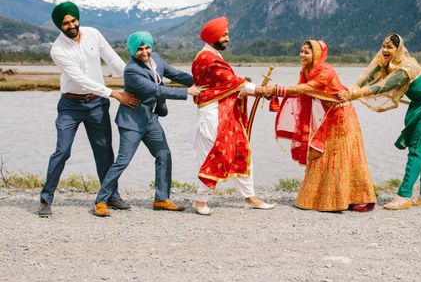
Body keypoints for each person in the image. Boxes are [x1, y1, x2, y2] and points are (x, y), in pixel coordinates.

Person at [38, 2, 139, 218]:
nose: (71, 25)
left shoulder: (93, 34)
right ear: (59, 25)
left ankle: (111, 195)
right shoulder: (58, 50)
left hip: (97, 104)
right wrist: (115, 94)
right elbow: (80, 80)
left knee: (104, 151)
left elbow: (114, 61)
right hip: (70, 105)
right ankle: (45, 199)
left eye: (73, 20)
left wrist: (136, 79)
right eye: (65, 23)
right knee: (62, 150)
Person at [92, 32, 205, 217]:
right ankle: (100, 201)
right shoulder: (131, 70)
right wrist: (189, 92)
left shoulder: (157, 59)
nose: (144, 52)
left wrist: (201, 82)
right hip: (132, 122)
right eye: (139, 49)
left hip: (150, 119)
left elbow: (174, 74)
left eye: (147, 48)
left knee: (164, 155)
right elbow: (156, 89)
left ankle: (161, 199)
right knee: (122, 161)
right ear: (132, 50)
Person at [339, 33, 421, 211]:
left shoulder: (407, 66)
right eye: (383, 46)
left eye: (389, 47)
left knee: (417, 149)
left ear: (398, 49)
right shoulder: (384, 62)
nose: (385, 50)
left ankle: (404, 196)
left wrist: (355, 94)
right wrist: (349, 90)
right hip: (420, 104)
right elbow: (365, 78)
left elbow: (386, 85)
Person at [266, 40, 376, 212]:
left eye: (306, 52)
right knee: (322, 155)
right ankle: (317, 199)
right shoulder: (306, 70)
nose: (302, 55)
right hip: (328, 116)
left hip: (343, 116)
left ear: (316, 54)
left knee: (340, 157)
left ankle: (349, 199)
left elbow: (304, 89)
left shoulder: (325, 72)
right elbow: (303, 92)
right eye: (301, 51)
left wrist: (277, 90)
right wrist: (274, 92)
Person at [190, 16, 274, 215]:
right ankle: (200, 201)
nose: (228, 38)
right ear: (213, 37)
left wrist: (251, 89)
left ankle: (249, 197)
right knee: (214, 154)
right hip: (213, 115)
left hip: (225, 112)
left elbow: (226, 85)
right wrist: (260, 89)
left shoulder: (211, 56)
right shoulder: (208, 59)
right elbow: (235, 83)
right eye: (224, 35)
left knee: (240, 149)